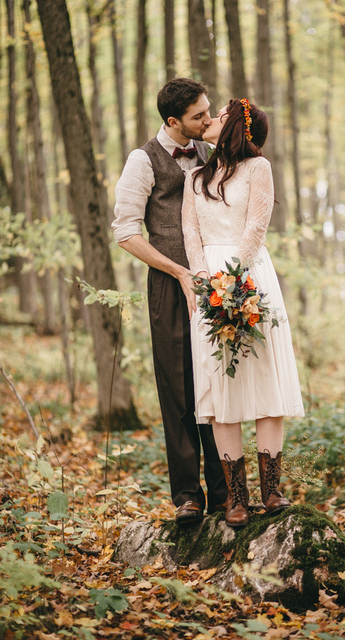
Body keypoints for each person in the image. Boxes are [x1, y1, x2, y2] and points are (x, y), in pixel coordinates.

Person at [181, 98, 304, 528]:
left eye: (220, 115)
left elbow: (257, 224)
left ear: (236, 127)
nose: (210, 119)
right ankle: (237, 497)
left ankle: (272, 491)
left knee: (265, 377)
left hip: (251, 277)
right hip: (208, 285)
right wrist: (204, 280)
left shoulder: (259, 169)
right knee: (220, 391)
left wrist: (234, 279)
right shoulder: (195, 177)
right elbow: (189, 232)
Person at [112, 78, 227, 525]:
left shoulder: (210, 153)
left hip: (215, 285)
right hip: (169, 285)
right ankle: (188, 496)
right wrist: (178, 271)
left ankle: (226, 494)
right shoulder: (142, 161)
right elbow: (125, 233)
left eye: (208, 110)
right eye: (199, 115)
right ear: (172, 121)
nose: (208, 119)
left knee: (218, 386)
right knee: (178, 388)